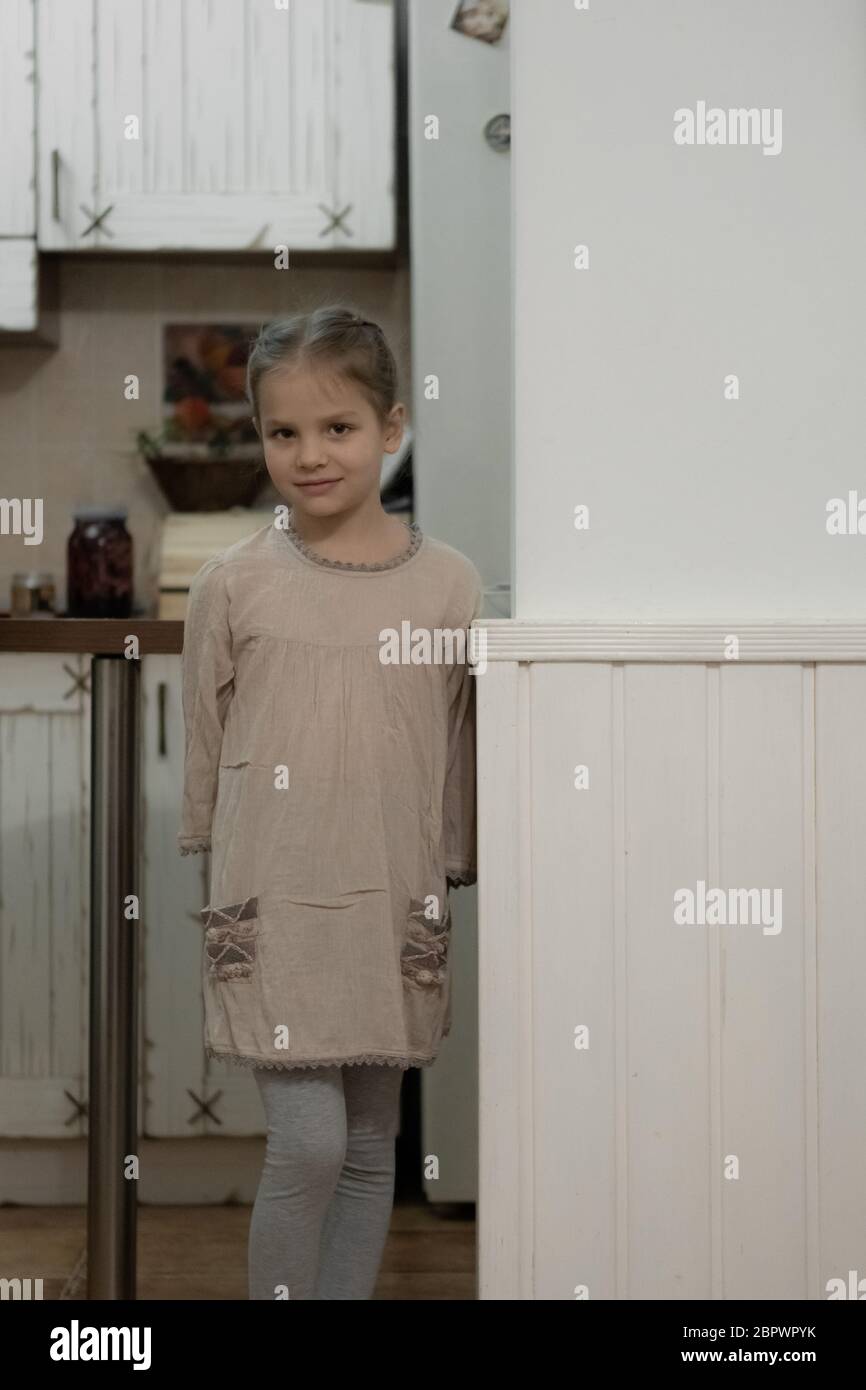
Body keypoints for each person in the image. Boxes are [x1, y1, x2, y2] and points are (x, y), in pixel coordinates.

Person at [177, 305, 483, 1300]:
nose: (309, 455)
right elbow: (207, 743)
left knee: (365, 1147)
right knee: (305, 1144)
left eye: (337, 428)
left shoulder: (447, 585)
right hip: (276, 895)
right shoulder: (233, 584)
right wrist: (211, 852)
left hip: (391, 894)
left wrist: (452, 860)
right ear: (259, 436)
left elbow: (458, 745)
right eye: (282, 432)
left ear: (391, 428)